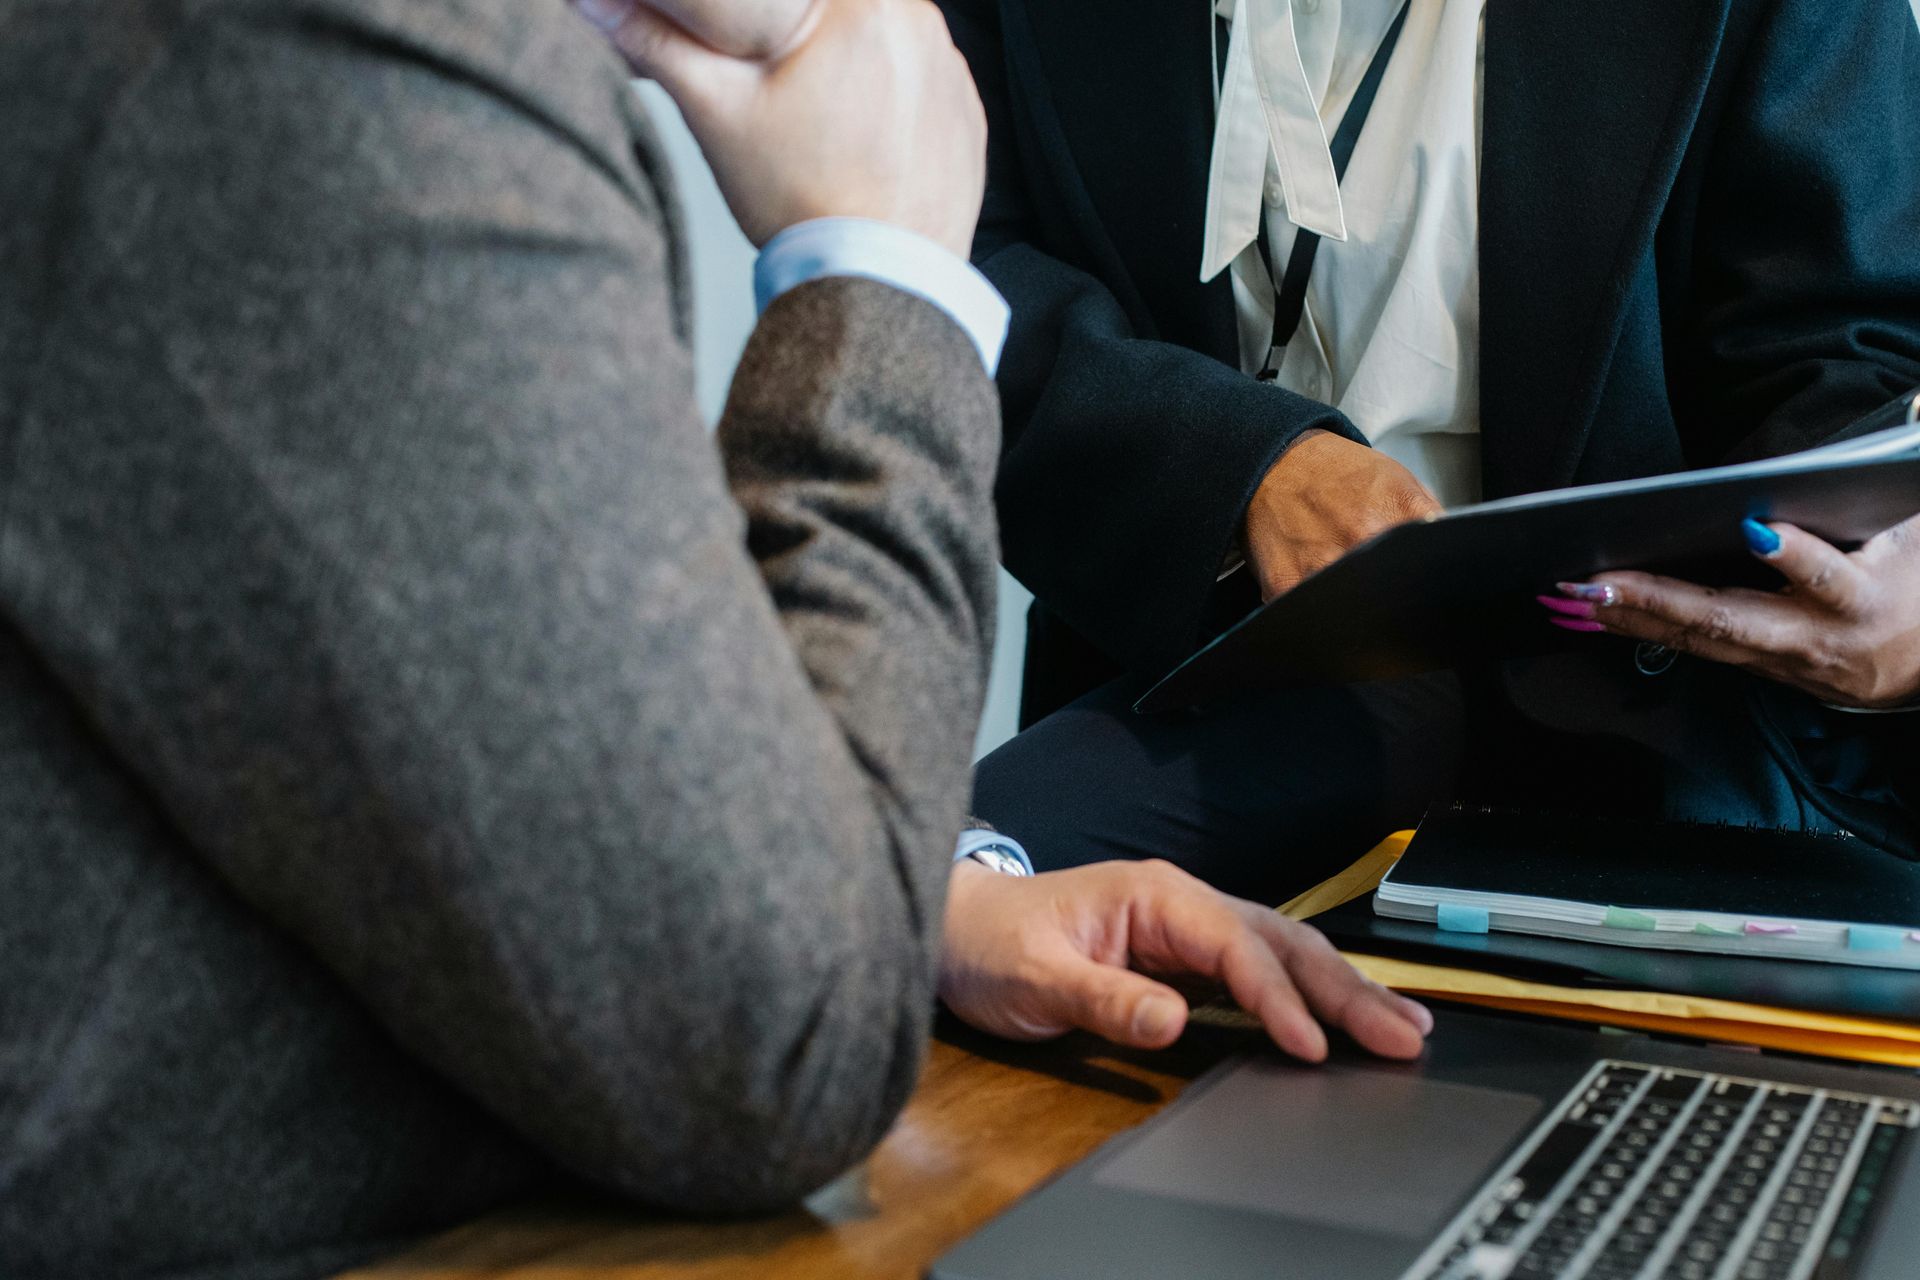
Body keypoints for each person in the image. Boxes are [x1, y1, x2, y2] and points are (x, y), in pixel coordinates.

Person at [0, 1, 1432, 1277]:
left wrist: (914, 915)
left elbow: (412, 719)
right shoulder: (323, 71)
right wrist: (886, 270)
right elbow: (768, 1058)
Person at [945, 0, 1920, 901]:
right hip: (1205, 659)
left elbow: (1840, 352)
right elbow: (950, 261)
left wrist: (1893, 581)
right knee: (917, 923)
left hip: (1652, 711)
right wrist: (1246, 466)